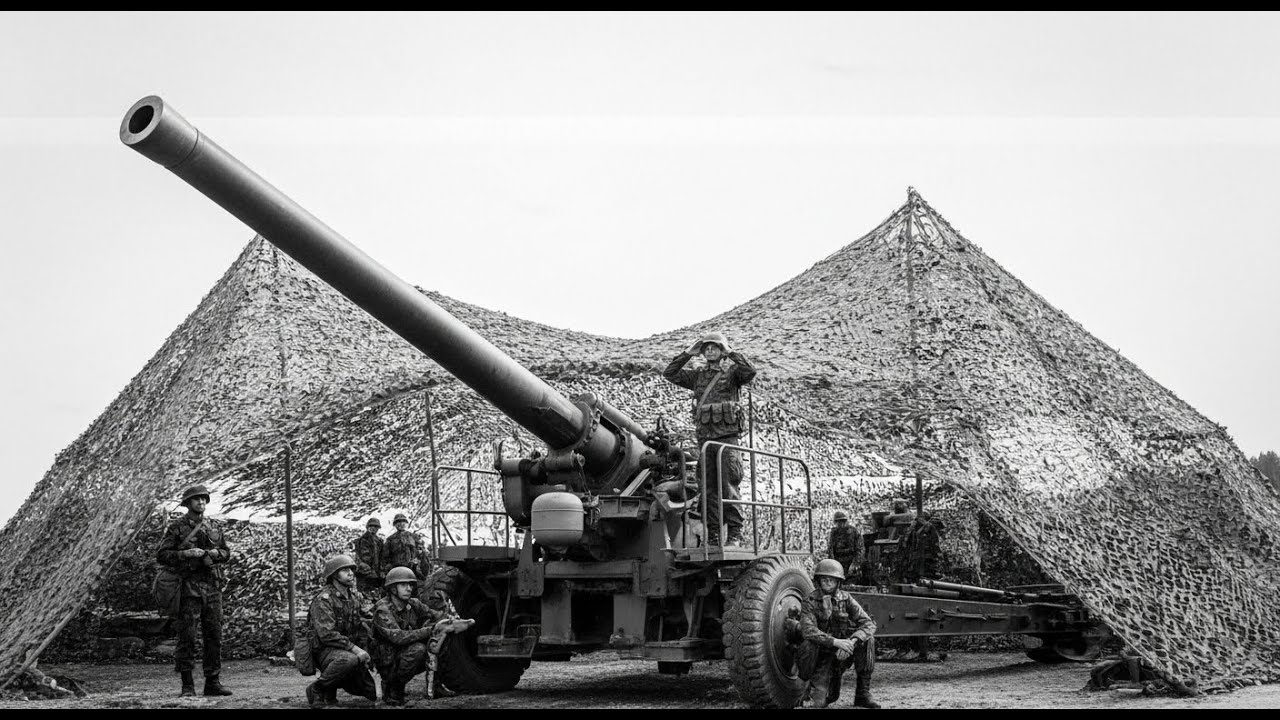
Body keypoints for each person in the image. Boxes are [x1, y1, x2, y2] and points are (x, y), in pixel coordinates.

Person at [662, 331, 756, 547]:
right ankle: (713, 535)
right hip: (705, 442)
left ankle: (734, 534)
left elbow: (750, 371)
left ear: (722, 350)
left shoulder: (732, 373)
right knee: (708, 490)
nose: (710, 350)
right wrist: (688, 353)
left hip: (727, 441)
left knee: (728, 486)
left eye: (715, 347)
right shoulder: (697, 376)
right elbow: (670, 373)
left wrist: (730, 351)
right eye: (707, 348)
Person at [155, 484, 233, 697]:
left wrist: (215, 553)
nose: (201, 502)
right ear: (188, 503)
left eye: (204, 499)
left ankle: (212, 683)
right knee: (187, 637)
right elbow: (162, 555)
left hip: (212, 588)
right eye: (196, 499)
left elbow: (226, 553)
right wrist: (186, 554)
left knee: (214, 636)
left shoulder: (213, 526)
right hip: (189, 588)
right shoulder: (177, 528)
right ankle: (187, 686)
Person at [799, 558, 881, 709]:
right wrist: (836, 642)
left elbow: (868, 623)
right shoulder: (809, 601)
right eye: (824, 579)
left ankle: (863, 693)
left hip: (843, 652)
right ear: (818, 581)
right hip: (821, 656)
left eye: (831, 580)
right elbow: (808, 630)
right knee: (819, 703)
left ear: (838, 582)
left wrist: (852, 642)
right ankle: (808, 686)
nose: (828, 583)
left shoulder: (846, 598)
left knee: (868, 640)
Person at [305, 554, 377, 708]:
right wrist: (356, 650)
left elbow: (365, 621)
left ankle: (330, 690)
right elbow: (327, 635)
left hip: (347, 649)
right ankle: (317, 689)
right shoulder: (323, 599)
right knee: (348, 660)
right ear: (333, 575)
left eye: (351, 569)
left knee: (370, 692)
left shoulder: (355, 597)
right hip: (324, 650)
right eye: (345, 570)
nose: (351, 573)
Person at [370, 566, 443, 706]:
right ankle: (393, 689)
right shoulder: (383, 609)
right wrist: (429, 630)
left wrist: (444, 624)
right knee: (419, 649)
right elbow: (397, 637)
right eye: (403, 585)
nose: (409, 588)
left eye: (410, 585)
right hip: (386, 660)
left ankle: (436, 685)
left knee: (441, 639)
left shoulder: (413, 603)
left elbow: (437, 617)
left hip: (403, 654)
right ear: (392, 589)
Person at [894, 509, 947, 662]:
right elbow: (908, 555)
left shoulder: (930, 528)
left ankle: (930, 650)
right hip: (915, 575)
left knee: (929, 613)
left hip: (929, 577)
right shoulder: (912, 533)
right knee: (914, 613)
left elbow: (937, 552)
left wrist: (933, 573)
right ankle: (916, 649)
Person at [385, 513, 431, 580]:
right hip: (396, 569)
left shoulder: (414, 537)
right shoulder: (390, 539)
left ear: (406, 524)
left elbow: (422, 553)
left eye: (403, 522)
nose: (401, 524)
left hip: (412, 568)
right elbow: (385, 557)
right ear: (395, 525)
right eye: (398, 522)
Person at [353, 517, 386, 598]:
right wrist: (368, 570)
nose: (374, 529)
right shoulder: (362, 540)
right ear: (368, 527)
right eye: (372, 526)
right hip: (365, 573)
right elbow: (362, 557)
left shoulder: (379, 541)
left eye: (376, 527)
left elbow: (382, 556)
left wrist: (381, 570)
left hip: (376, 574)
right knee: (364, 597)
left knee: (376, 596)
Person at [826, 510, 862, 581]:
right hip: (838, 562)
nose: (840, 524)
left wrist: (855, 564)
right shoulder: (834, 532)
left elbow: (860, 549)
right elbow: (831, 549)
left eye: (842, 521)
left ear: (846, 521)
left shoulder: (854, 532)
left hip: (851, 562)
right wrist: (833, 564)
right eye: (838, 522)